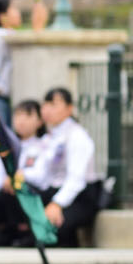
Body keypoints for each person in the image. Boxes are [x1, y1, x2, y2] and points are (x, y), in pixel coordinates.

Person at [0, 99, 51, 246]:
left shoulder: (45, 144)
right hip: (9, 191)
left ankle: (25, 230)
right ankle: (3, 229)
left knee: (16, 186)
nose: (21, 121)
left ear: (40, 121)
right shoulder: (8, 144)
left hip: (35, 193)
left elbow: (42, 176)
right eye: (18, 115)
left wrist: (19, 177)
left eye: (27, 116)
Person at [38, 86, 102, 247]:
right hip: (56, 191)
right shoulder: (50, 136)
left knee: (54, 228)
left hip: (80, 196)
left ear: (69, 108)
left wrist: (57, 204)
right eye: (46, 104)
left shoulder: (77, 135)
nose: (48, 109)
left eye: (54, 104)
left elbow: (76, 179)